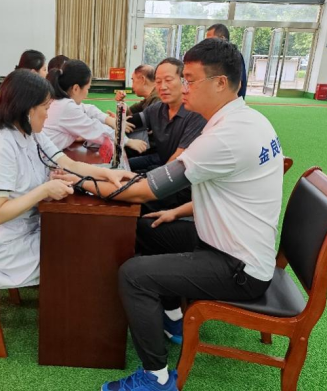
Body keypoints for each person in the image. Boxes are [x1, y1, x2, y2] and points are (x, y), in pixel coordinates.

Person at [55, 39, 283, 390]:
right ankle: (174, 317)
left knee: (134, 275)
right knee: (145, 226)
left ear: (221, 83)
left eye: (189, 80)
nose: (182, 87)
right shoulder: (248, 120)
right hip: (232, 241)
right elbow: (234, 192)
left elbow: (147, 189)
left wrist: (82, 182)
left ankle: (156, 377)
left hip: (237, 266)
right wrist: (178, 210)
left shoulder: (226, 136)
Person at [0, 69, 133, 289]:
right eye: (46, 108)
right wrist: (45, 189)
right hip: (0, 246)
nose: (48, 115)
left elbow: (68, 163)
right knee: (83, 254)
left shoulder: (30, 132)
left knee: (82, 239)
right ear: (27, 109)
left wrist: (108, 173)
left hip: (24, 227)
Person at [44, 59, 147, 153]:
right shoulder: (66, 107)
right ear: (76, 89)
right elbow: (95, 130)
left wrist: (109, 120)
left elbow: (89, 109)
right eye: (87, 89)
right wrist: (127, 141)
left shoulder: (60, 102)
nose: (87, 94)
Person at [127, 58, 206, 178]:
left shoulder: (196, 113)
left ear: (184, 80)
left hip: (181, 177)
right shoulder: (156, 109)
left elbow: (178, 160)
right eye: (158, 81)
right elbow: (131, 123)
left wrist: (148, 182)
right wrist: (109, 122)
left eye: (168, 80)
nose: (162, 87)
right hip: (161, 163)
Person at [116, 65, 161, 158]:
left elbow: (134, 122)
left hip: (152, 150)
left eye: (133, 80)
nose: (132, 86)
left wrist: (117, 121)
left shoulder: (157, 99)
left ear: (143, 79)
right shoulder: (149, 98)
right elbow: (130, 113)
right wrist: (121, 102)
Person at [206, 23, 247, 99]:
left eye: (211, 40)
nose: (207, 44)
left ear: (222, 38)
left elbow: (237, 84)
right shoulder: (215, 56)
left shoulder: (233, 56)